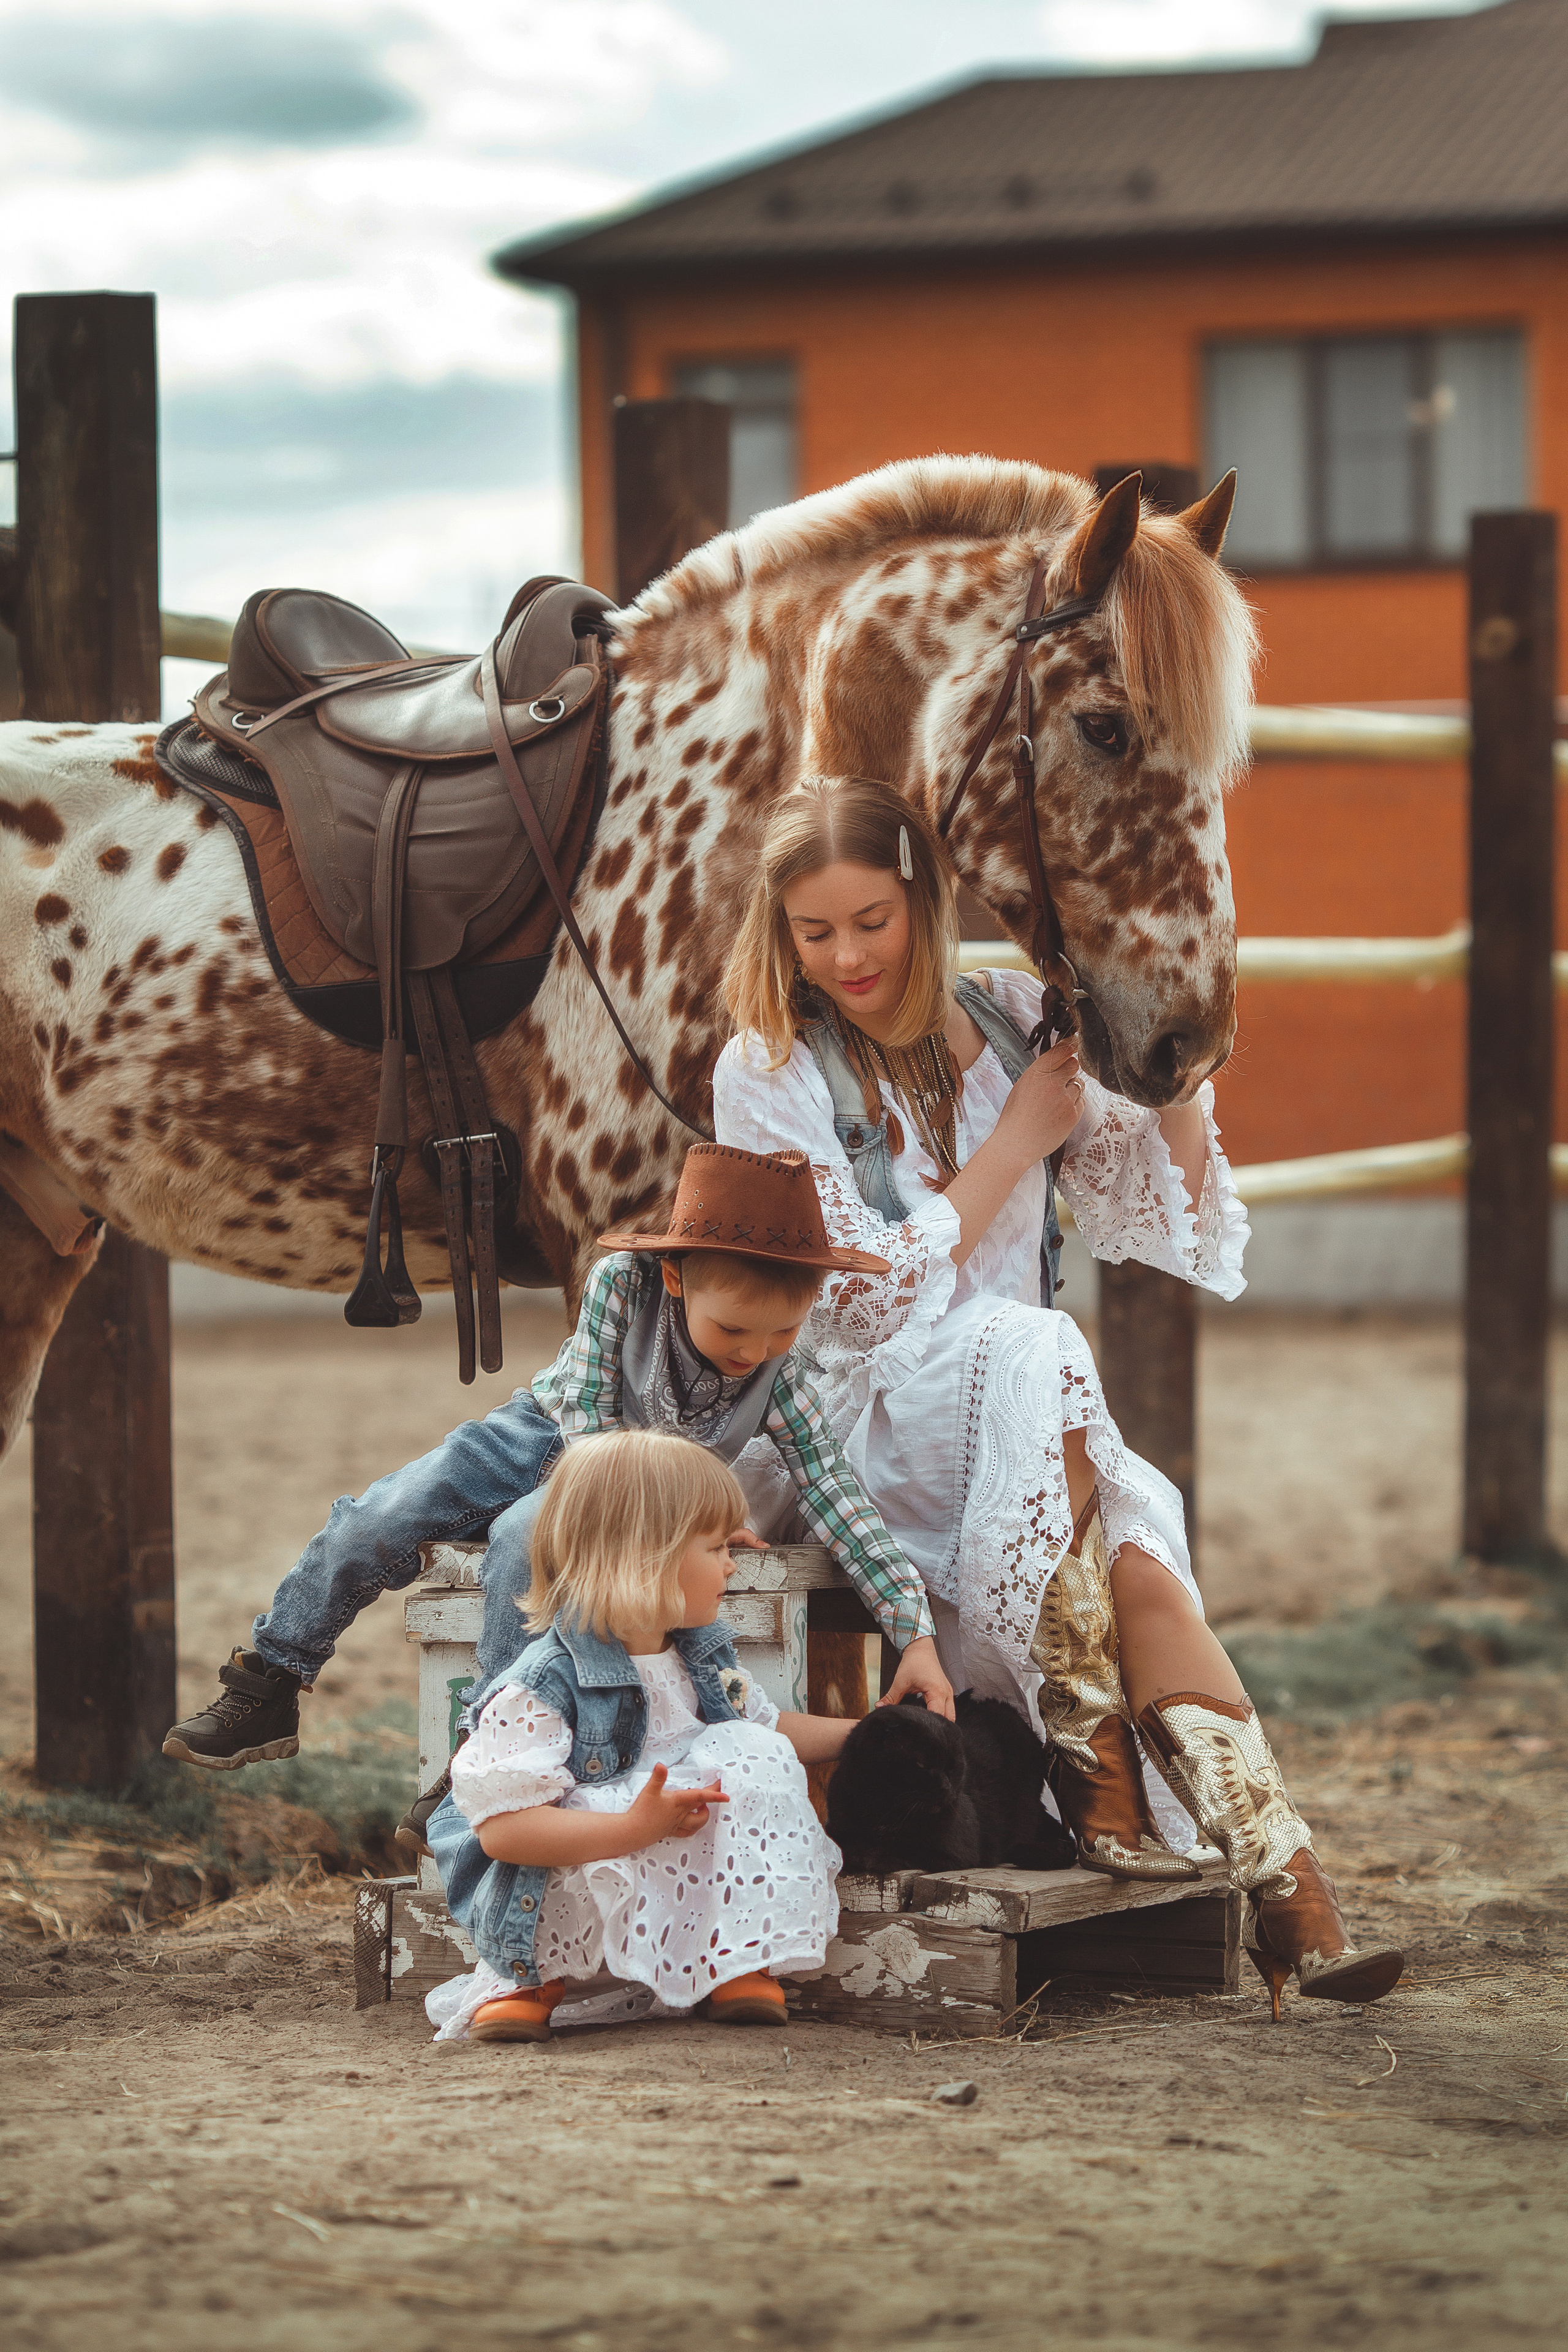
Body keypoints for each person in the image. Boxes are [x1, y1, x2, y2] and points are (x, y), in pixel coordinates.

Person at [713, 774, 1402, 2018]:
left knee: (1138, 1547)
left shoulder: (1017, 1018)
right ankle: (1097, 1789)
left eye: (869, 921)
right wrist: (1011, 1148)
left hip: (1017, 1424)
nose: (845, 958)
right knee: (1038, 1348)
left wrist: (1171, 1076)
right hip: (856, 1420)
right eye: (813, 933)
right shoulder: (768, 1071)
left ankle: (1291, 1900)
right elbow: (850, 1306)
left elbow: (1158, 1219)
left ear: (920, 900)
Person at [162, 1142, 953, 1850]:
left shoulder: (779, 1374)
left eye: (782, 1334)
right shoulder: (624, 1283)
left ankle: (487, 1758)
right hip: (545, 1441)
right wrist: (671, 1518)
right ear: (675, 1278)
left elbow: (837, 1494)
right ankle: (272, 1676)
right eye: (733, 1334)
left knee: (519, 1546)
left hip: (626, 1496)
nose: (755, 1355)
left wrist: (912, 1631)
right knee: (382, 1515)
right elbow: (589, 1430)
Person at [424, 1427, 847, 2041]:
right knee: (596, 1804)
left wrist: (867, 1734)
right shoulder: (542, 1686)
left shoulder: (699, 1655)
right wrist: (633, 1829)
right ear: (645, 1557)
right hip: (578, 1868)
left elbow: (767, 1726)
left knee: (753, 1751)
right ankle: (528, 1977)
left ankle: (734, 1959)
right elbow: (506, 1831)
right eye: (714, 1547)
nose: (733, 1562)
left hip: (656, 1856)